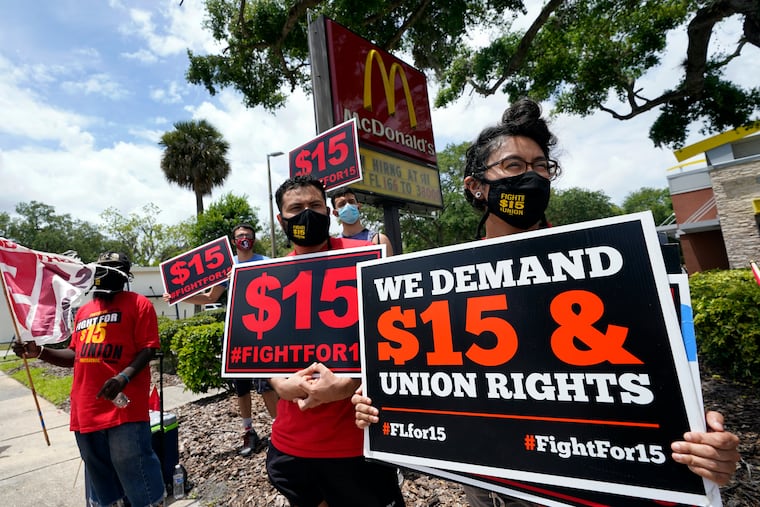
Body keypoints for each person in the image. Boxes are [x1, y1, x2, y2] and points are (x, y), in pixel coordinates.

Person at [352, 98, 741, 506]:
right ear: (476, 187)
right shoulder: (438, 286)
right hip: (486, 487)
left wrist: (703, 437)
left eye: (541, 167)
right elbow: (423, 382)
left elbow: (662, 375)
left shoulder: (613, 268)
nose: (533, 177)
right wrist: (382, 407)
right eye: (515, 166)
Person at [265, 175, 404, 507]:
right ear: (280, 219)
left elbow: (397, 337)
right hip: (291, 446)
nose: (306, 214)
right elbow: (260, 351)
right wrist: (278, 384)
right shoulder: (270, 277)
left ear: (329, 212)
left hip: (358, 444)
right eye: (295, 208)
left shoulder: (366, 258)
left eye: (314, 206)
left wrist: (349, 385)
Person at [13, 252, 166, 507]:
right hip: (86, 407)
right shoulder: (84, 311)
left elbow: (148, 349)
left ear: (125, 275)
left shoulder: (139, 303)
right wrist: (39, 351)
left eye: (114, 269)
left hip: (123, 407)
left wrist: (123, 377)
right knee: (99, 474)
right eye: (102, 268)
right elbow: (75, 353)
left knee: (134, 465)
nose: (106, 274)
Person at [164, 223, 278, 457]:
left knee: (267, 384)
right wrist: (179, 297)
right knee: (242, 387)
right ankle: (248, 431)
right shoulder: (227, 267)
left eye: (247, 235)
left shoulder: (265, 262)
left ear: (253, 239)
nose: (243, 238)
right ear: (234, 241)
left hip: (263, 331)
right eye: (239, 236)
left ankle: (280, 430)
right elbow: (209, 298)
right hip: (237, 333)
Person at [330, 187, 394, 255]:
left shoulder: (379, 241)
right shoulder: (333, 247)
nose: (347, 206)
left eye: (351, 202)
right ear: (335, 213)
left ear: (359, 207)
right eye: (342, 204)